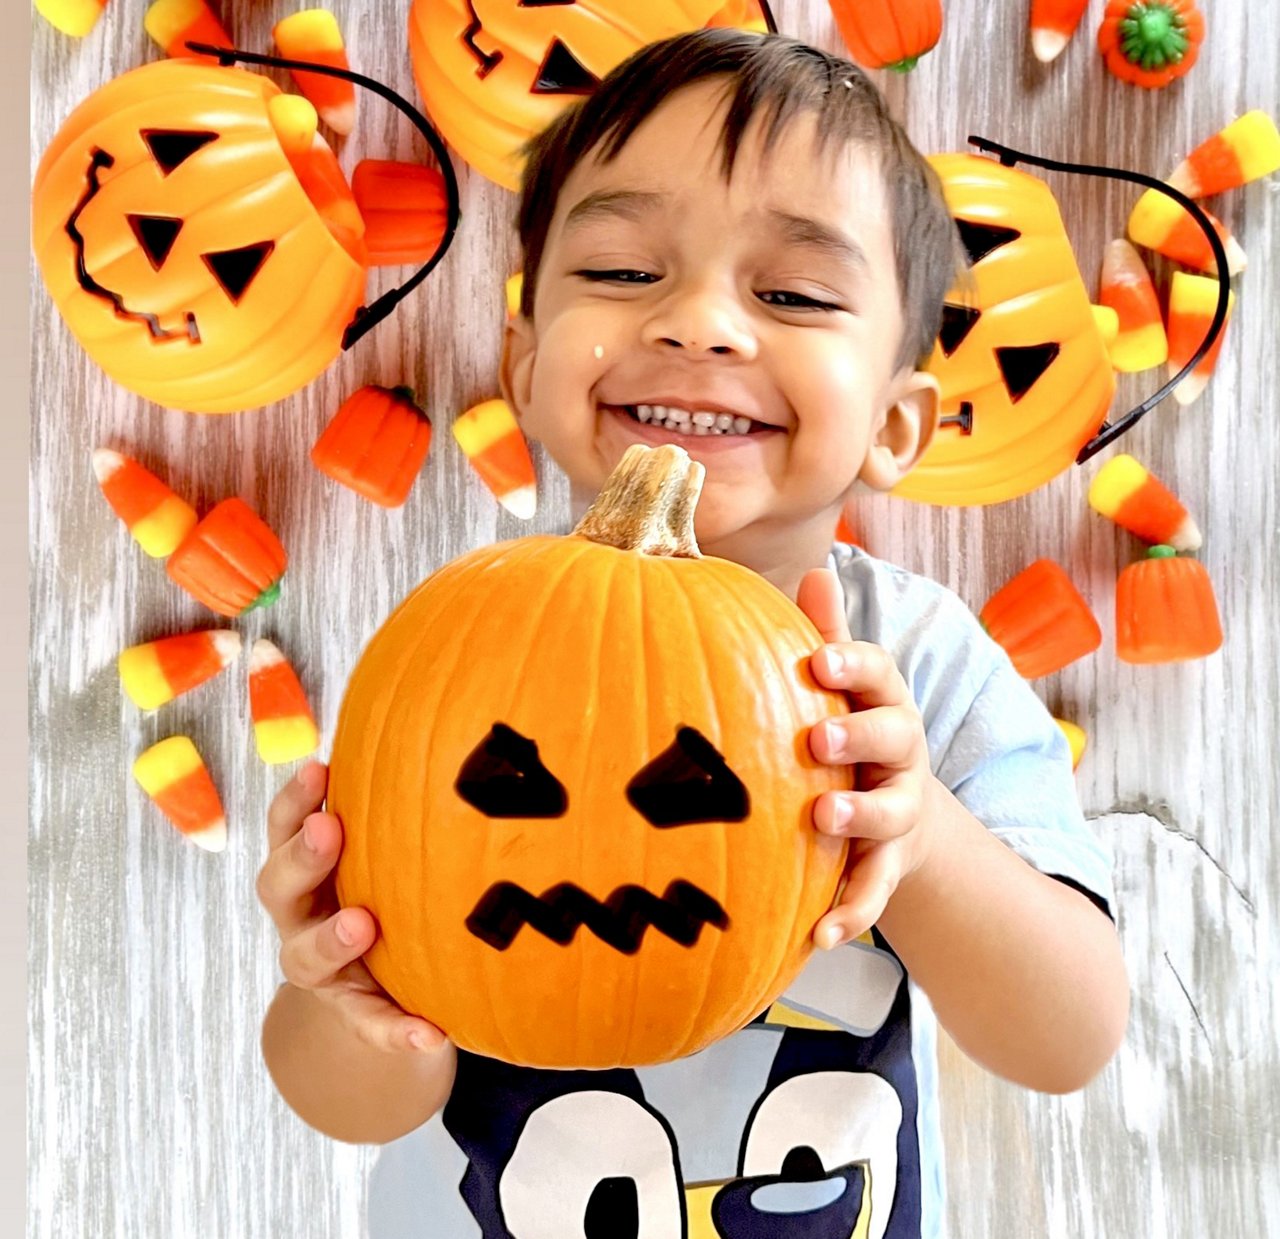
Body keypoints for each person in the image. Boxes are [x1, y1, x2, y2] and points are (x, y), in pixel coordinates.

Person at [256, 29, 1128, 1238]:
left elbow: (1067, 1037)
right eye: (620, 272)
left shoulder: (919, 669)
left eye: (793, 294)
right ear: (521, 357)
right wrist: (341, 992)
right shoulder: (455, 659)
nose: (700, 323)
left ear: (894, 424)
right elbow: (352, 1104)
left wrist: (917, 833)